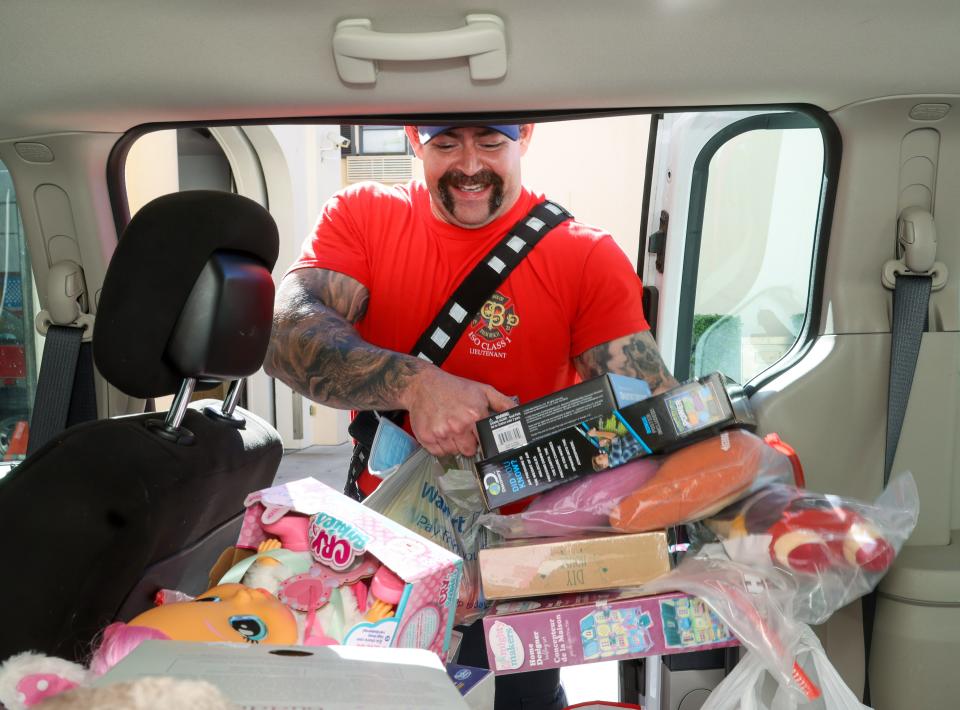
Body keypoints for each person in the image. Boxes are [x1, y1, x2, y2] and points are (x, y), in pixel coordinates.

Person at [265, 123, 677, 710]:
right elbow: (286, 332)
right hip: (383, 562)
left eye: (489, 143)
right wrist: (417, 385)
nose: (468, 166)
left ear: (525, 137)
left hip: (518, 575)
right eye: (445, 145)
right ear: (413, 139)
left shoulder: (583, 254)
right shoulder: (365, 215)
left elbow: (650, 409)